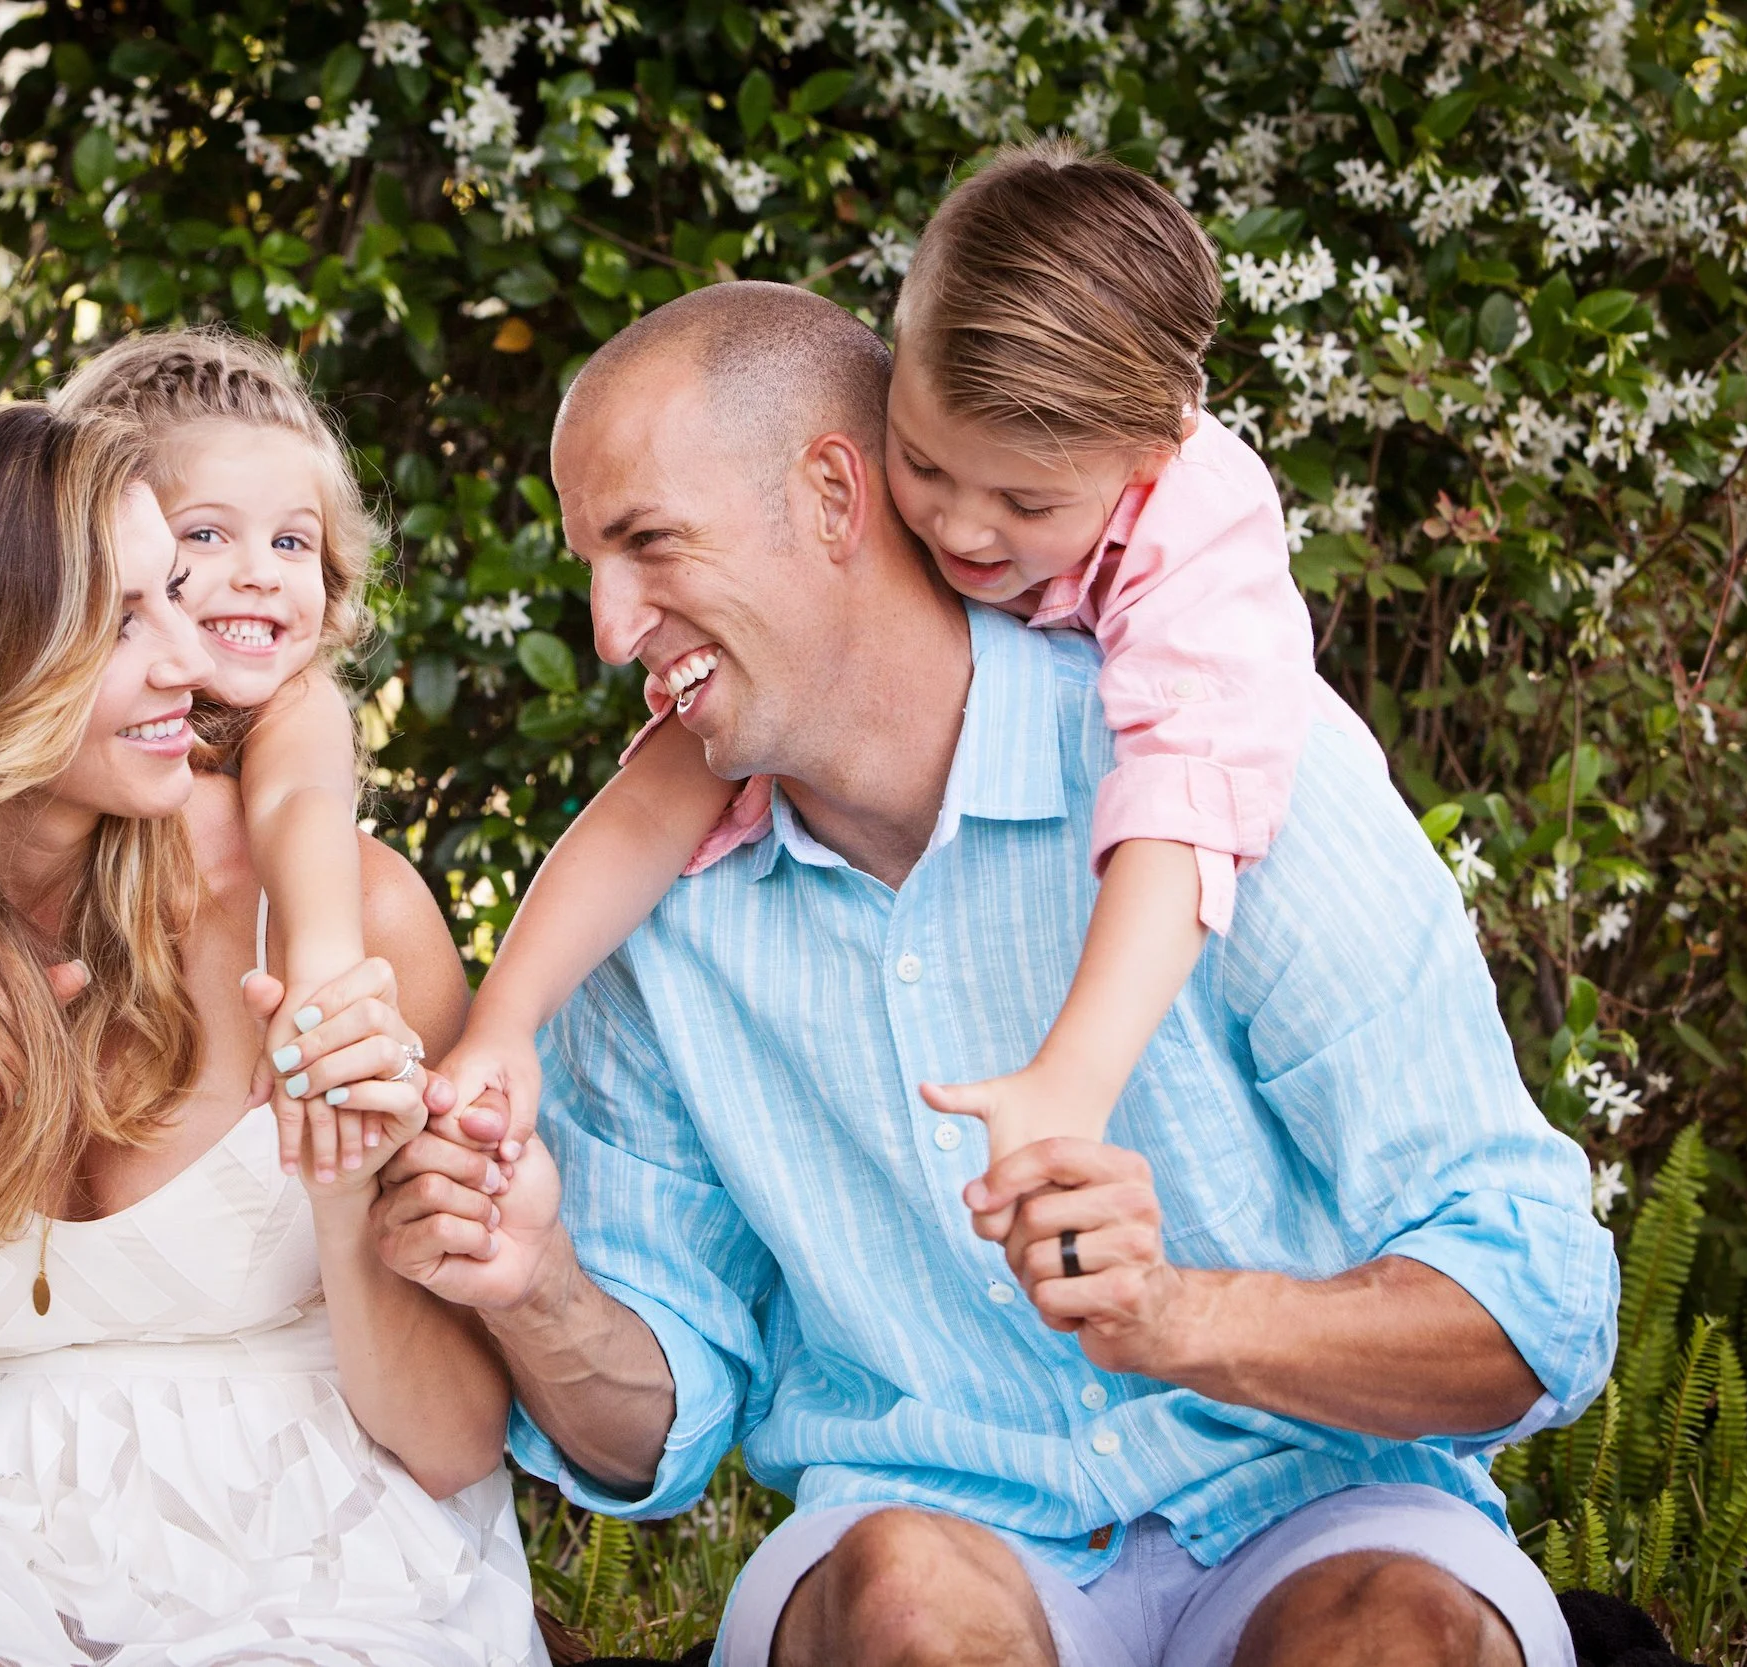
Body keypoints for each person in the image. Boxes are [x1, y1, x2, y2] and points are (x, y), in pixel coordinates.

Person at [373, 279, 1617, 1667]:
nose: (609, 631)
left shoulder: (1226, 767)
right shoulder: (652, 920)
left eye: (650, 542)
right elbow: (650, 1435)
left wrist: (1181, 1314)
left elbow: (1535, 1304)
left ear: (834, 496)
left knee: (1393, 1637)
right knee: (902, 1595)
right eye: (591, 566)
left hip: (1325, 1508)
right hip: (931, 1518)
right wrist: (534, 1281)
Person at [0, 396, 541, 1665]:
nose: (191, 658)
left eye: (172, 594)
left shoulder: (340, 910)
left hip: (322, 1526)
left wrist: (349, 1189)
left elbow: (457, 1436)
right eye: (126, 617)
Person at [439, 141, 1328, 1172]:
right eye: (924, 465)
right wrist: (504, 1019)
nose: (961, 529)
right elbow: (649, 803)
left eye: (1025, 501)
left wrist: (1074, 1077)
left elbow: (1185, 802)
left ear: (1151, 454)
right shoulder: (886, 496)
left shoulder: (1198, 547)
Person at [53, 328, 389, 1188]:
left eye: (292, 543)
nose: (261, 574)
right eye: (207, 535)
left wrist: (323, 971)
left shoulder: (296, 703)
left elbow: (299, 801)